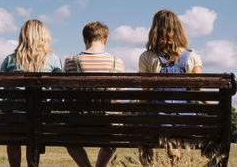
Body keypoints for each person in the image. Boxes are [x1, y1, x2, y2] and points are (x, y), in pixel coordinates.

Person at [138, 9, 203, 166]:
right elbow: (199, 92)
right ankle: (172, 149)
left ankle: (149, 161)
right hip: (185, 121)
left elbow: (145, 94)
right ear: (179, 30)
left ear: (154, 30)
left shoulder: (146, 57)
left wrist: (137, 113)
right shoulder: (193, 56)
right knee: (171, 123)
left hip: (156, 121)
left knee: (145, 126)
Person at [0, 19, 62, 167]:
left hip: (13, 120)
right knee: (33, 128)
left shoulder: (10, 60)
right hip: (41, 120)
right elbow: (59, 95)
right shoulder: (53, 60)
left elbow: (1, 92)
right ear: (44, 37)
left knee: (14, 126)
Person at [64, 21, 125, 167]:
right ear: (106, 40)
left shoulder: (70, 62)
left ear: (84, 39)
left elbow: (67, 96)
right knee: (114, 137)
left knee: (70, 142)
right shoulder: (117, 63)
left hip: (79, 125)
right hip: (108, 128)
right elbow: (119, 99)